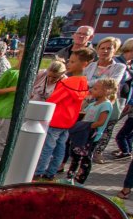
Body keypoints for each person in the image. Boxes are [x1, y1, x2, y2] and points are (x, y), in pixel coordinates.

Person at [33, 48, 94, 180]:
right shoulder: (83, 82)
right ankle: (51, 172)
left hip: (56, 119)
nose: (68, 64)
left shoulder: (68, 82)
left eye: (72, 62)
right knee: (60, 147)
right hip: (68, 120)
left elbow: (53, 100)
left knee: (47, 147)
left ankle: (39, 171)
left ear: (84, 64)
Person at [83, 37, 126, 163]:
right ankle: (82, 148)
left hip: (107, 101)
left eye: (109, 48)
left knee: (105, 129)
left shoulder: (118, 66)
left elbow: (113, 83)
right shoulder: (92, 65)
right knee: (86, 125)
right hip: (89, 101)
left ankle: (97, 153)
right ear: (98, 49)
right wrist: (95, 84)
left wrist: (91, 84)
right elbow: (83, 81)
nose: (105, 51)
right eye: (102, 48)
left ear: (115, 50)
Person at [67, 78, 117, 184]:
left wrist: (86, 126)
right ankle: (70, 177)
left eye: (95, 89)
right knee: (76, 155)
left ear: (105, 91)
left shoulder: (106, 105)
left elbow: (101, 122)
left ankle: (80, 180)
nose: (92, 90)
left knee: (85, 157)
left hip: (91, 136)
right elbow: (82, 112)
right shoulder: (93, 103)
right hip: (83, 134)